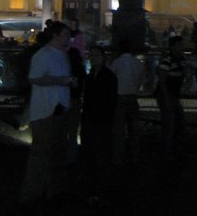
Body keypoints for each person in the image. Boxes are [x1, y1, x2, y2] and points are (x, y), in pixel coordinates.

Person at [19, 21, 74, 203]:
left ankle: (53, 190)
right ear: (55, 35)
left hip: (60, 109)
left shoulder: (63, 54)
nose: (69, 37)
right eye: (66, 34)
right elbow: (34, 78)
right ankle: (32, 194)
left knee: (58, 152)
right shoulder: (42, 55)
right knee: (41, 154)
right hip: (45, 111)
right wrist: (61, 81)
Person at [80, 44, 117, 201]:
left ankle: (100, 189)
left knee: (100, 154)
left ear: (103, 58)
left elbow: (110, 100)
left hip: (100, 120)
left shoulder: (107, 76)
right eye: (92, 55)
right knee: (93, 154)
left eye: (96, 55)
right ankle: (95, 188)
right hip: (92, 119)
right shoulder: (92, 76)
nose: (93, 58)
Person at [111, 40, 145, 167]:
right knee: (134, 130)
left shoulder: (117, 63)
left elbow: (112, 79)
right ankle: (134, 157)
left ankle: (118, 158)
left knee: (119, 131)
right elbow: (141, 81)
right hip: (132, 98)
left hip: (119, 98)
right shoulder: (138, 64)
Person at [156, 35, 187, 157]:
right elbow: (162, 82)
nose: (182, 47)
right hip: (169, 95)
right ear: (173, 47)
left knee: (171, 122)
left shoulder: (170, 61)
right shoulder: (171, 61)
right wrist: (166, 99)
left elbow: (162, 81)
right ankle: (168, 150)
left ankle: (168, 149)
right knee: (171, 123)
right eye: (180, 45)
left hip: (170, 95)